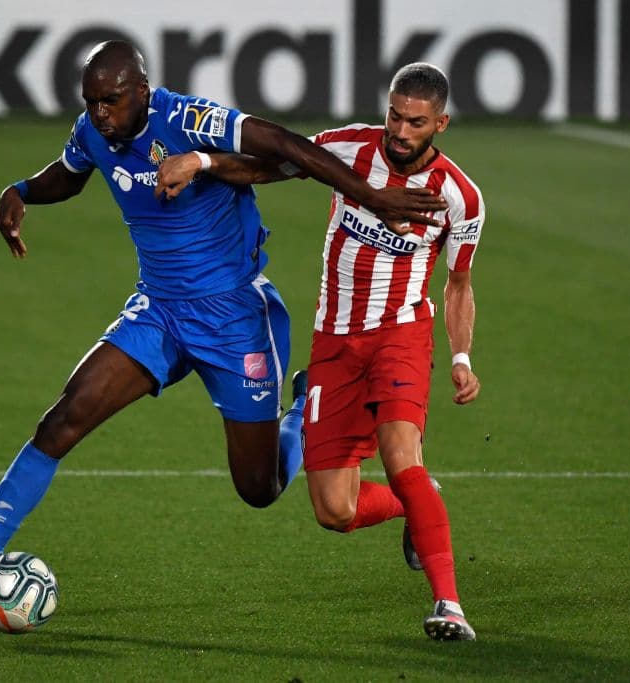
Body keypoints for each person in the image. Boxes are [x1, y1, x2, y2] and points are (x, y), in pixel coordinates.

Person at [0, 41, 445, 616]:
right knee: (63, 419)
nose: (99, 113)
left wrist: (371, 196)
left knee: (258, 488)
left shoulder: (188, 119)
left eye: (111, 100)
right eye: (90, 102)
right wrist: (23, 191)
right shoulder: (93, 131)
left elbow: (285, 145)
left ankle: (298, 422)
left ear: (141, 91)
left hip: (235, 319)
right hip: (158, 312)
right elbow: (70, 173)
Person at [156, 63, 483, 640]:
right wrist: (202, 162)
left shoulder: (459, 196)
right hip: (334, 343)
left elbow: (458, 285)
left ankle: (449, 605)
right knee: (335, 510)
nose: (400, 131)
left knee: (401, 457)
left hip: (401, 334)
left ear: (441, 123)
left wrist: (461, 358)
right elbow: (266, 167)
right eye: (394, 116)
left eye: (415, 122)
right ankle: (419, 502)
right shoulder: (346, 147)